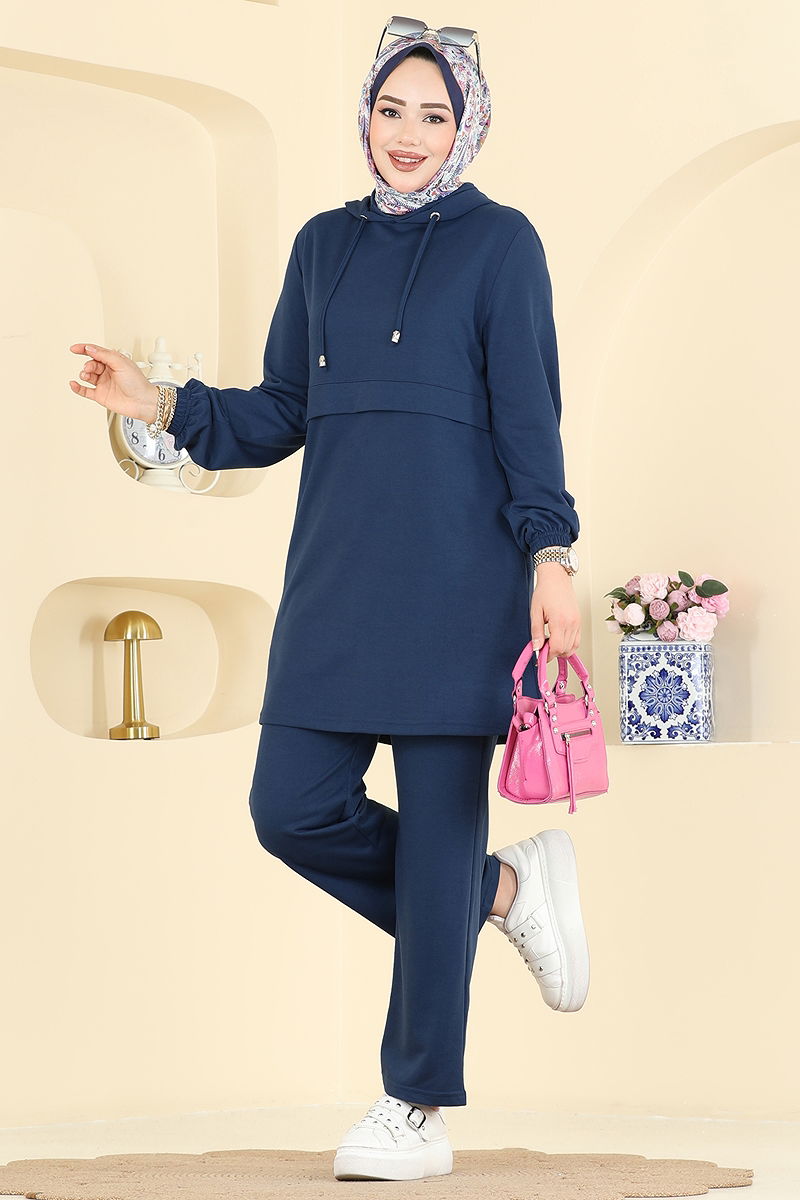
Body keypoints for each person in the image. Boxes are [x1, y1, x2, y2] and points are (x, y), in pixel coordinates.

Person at [68, 23, 590, 1184]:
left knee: (438, 835)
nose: (407, 134)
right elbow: (275, 413)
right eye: (391, 110)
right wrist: (158, 400)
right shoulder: (321, 246)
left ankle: (414, 1106)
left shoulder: (501, 244)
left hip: (459, 586)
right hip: (337, 582)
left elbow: (529, 416)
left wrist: (549, 555)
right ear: (364, 115)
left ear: (466, 127)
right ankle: (504, 890)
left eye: (433, 115)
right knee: (289, 807)